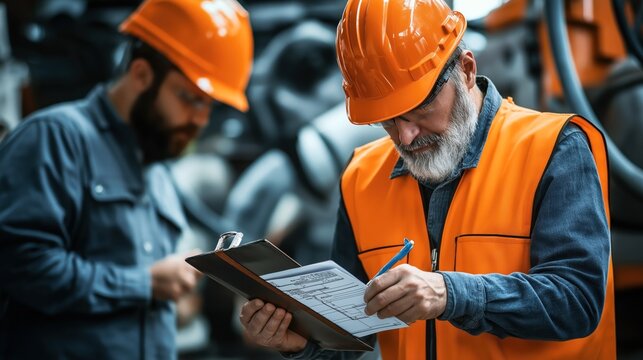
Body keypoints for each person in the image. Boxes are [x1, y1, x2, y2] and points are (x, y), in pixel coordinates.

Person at [239, 0, 615, 359]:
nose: (405, 136)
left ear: (466, 70)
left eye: (418, 109)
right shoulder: (361, 177)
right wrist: (298, 343)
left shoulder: (553, 148)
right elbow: (351, 333)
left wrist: (450, 293)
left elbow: (577, 300)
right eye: (387, 120)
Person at [0, 0, 253, 358]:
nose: (200, 119)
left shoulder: (158, 169)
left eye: (209, 105)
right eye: (190, 98)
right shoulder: (55, 139)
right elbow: (21, 266)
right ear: (141, 74)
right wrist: (145, 283)